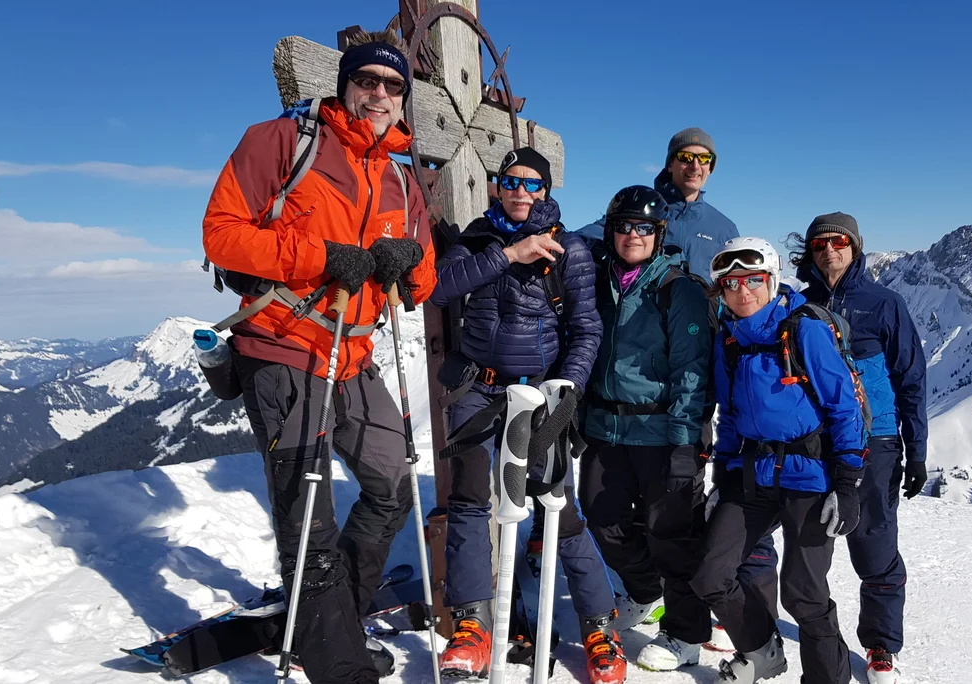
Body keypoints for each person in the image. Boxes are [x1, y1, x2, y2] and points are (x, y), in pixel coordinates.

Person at [202, 29, 435, 684]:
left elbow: (421, 285)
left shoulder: (398, 176)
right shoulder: (279, 144)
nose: (380, 94)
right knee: (309, 520)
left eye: (393, 86)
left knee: (392, 486)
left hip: (355, 354)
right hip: (282, 343)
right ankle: (342, 666)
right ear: (345, 85)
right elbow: (220, 235)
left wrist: (407, 262)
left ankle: (333, 623)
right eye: (367, 80)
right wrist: (319, 257)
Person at [429, 147, 626, 684]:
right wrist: (509, 255)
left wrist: (568, 388)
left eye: (531, 184)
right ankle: (472, 624)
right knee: (470, 500)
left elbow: (587, 329)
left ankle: (598, 626)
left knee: (558, 504)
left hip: (541, 395)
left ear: (547, 190)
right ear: (497, 185)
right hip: (478, 389)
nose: (519, 191)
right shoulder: (477, 239)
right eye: (509, 180)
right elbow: (436, 286)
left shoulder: (571, 251)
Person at [683, 237, 866, 684]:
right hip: (753, 474)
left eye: (753, 281)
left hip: (810, 474)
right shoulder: (729, 339)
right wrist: (722, 478)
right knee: (711, 575)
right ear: (721, 291)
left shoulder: (804, 329)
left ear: (772, 281)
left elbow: (844, 407)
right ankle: (762, 650)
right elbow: (730, 416)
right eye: (731, 284)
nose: (743, 292)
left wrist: (846, 483)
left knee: (803, 595)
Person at [780, 212, 927, 683]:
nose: (829, 249)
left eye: (839, 241)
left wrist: (915, 449)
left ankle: (881, 646)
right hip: (816, 441)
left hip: (877, 440)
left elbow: (911, 379)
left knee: (874, 542)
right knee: (808, 546)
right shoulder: (800, 307)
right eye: (819, 243)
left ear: (856, 246)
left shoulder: (884, 304)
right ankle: (816, 632)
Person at [577, 186, 715, 671]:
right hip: (606, 428)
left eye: (643, 227)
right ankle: (643, 590)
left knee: (671, 534)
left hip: (662, 432)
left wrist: (685, 443)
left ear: (659, 235)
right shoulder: (596, 282)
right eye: (623, 225)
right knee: (602, 518)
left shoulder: (678, 289)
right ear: (610, 231)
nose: (632, 235)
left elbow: (693, 372)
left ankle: (686, 632)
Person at [577, 127, 738, 279]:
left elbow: (736, 281)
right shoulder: (642, 208)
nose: (695, 166)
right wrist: (554, 235)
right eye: (686, 157)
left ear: (710, 168)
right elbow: (583, 237)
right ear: (670, 164)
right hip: (639, 308)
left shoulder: (724, 228)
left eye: (704, 158)